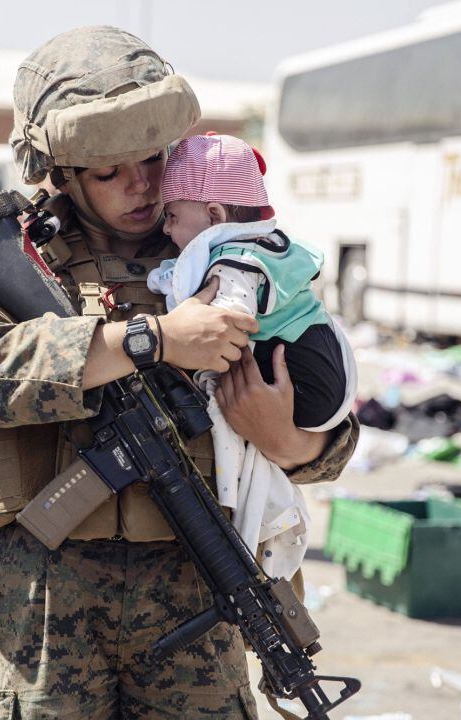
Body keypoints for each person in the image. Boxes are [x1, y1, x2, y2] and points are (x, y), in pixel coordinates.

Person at [0, 26, 359, 719]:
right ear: (63, 174)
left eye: (153, 160)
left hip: (197, 580)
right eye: (109, 172)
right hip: (49, 597)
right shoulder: (17, 260)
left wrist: (288, 440)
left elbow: (328, 413)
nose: (143, 187)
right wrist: (153, 338)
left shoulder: (223, 257)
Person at [148, 133, 358, 580]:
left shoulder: (238, 259)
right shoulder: (244, 247)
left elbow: (229, 316)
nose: (165, 229)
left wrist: (279, 435)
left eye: (171, 216)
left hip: (306, 385)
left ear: (215, 216)